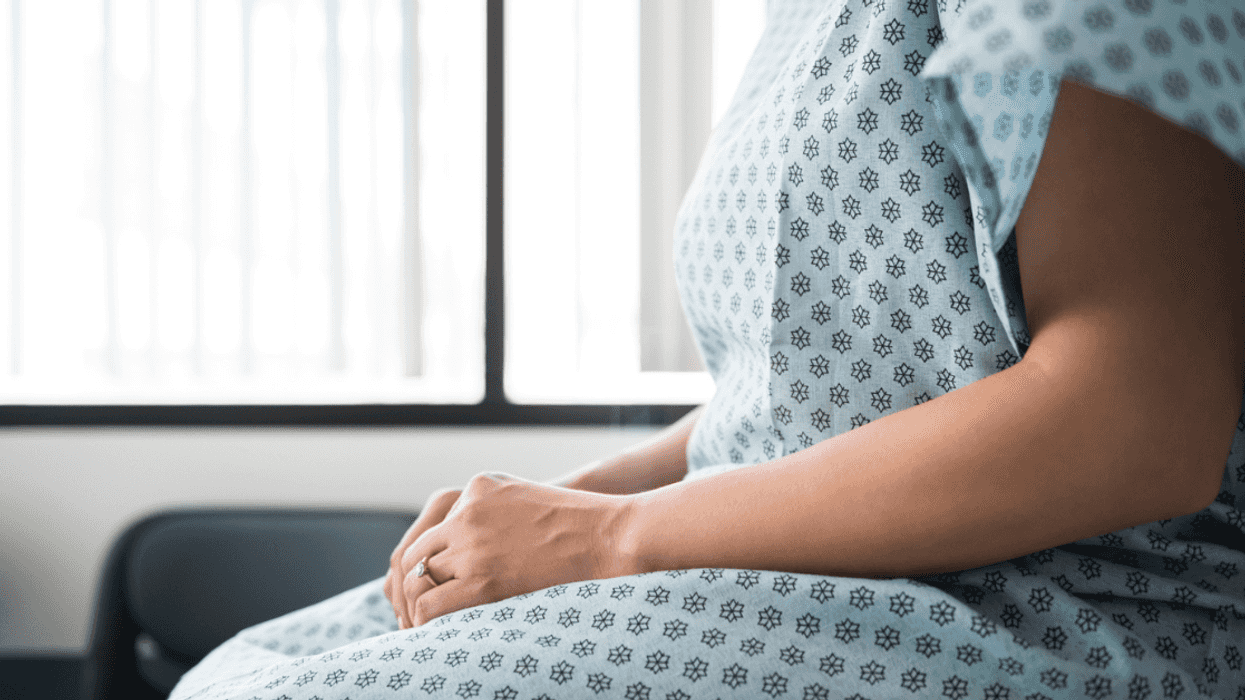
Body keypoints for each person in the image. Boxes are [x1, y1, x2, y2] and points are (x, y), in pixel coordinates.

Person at [172, 1, 1245, 698]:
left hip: (1054, 604)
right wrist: (581, 495)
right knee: (234, 675)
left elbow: (1135, 416)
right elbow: (828, 385)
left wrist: (614, 537)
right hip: (768, 543)